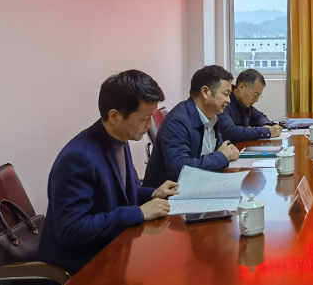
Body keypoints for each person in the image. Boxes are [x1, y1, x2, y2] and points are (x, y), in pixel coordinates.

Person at [37, 70, 180, 273]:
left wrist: (153, 193)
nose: (150, 125)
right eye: (145, 118)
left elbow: (116, 193)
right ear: (115, 116)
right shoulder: (78, 158)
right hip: (83, 265)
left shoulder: (120, 139)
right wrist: (138, 212)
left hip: (116, 251)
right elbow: (71, 229)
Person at [143, 65, 240, 187]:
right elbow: (179, 169)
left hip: (198, 184)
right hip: (169, 194)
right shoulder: (178, 121)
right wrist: (221, 157)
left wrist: (229, 150)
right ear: (205, 92)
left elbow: (220, 147)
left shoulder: (210, 116)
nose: (229, 100)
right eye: (226, 94)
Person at [218, 69, 282, 142]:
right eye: (255, 94)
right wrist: (266, 132)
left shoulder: (244, 104)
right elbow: (231, 131)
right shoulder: (224, 104)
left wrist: (266, 126)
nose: (256, 100)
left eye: (258, 96)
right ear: (241, 87)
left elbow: (259, 117)